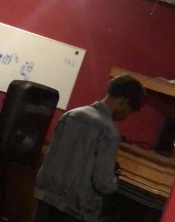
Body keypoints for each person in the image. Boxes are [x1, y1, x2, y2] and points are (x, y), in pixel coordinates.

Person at [34, 75, 145, 222]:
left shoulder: (71, 115)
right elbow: (102, 183)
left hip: (46, 198)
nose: (126, 116)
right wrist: (114, 179)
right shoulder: (110, 133)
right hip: (74, 210)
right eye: (130, 112)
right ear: (123, 102)